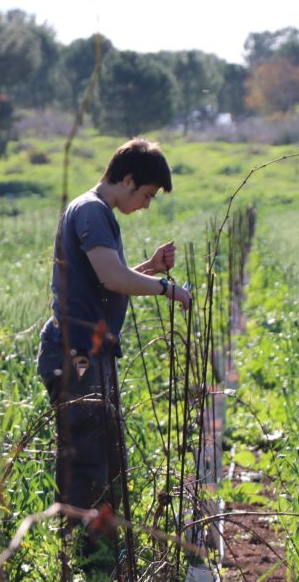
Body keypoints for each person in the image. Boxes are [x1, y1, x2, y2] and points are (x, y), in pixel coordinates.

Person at [37, 138, 192, 573]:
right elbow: (110, 278)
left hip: (90, 353)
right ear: (127, 180)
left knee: (105, 459)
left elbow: (105, 281)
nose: (145, 205)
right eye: (147, 195)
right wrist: (168, 289)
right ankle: (89, 561)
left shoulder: (96, 212)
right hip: (77, 356)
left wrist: (149, 269)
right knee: (89, 461)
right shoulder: (91, 211)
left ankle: (99, 554)